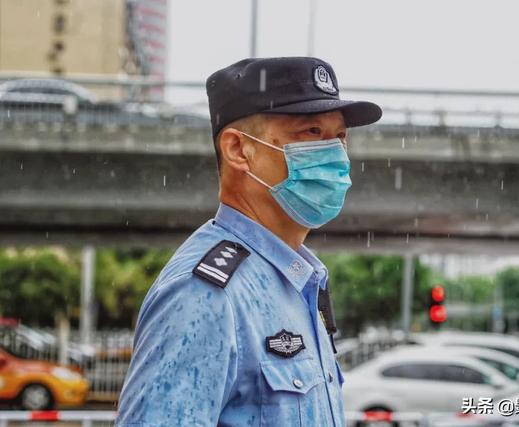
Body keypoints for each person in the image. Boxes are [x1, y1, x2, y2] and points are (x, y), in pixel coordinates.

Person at [115, 57, 382, 426]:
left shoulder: (298, 283)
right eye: (312, 132)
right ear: (239, 150)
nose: (335, 154)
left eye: (339, 137)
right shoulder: (206, 294)